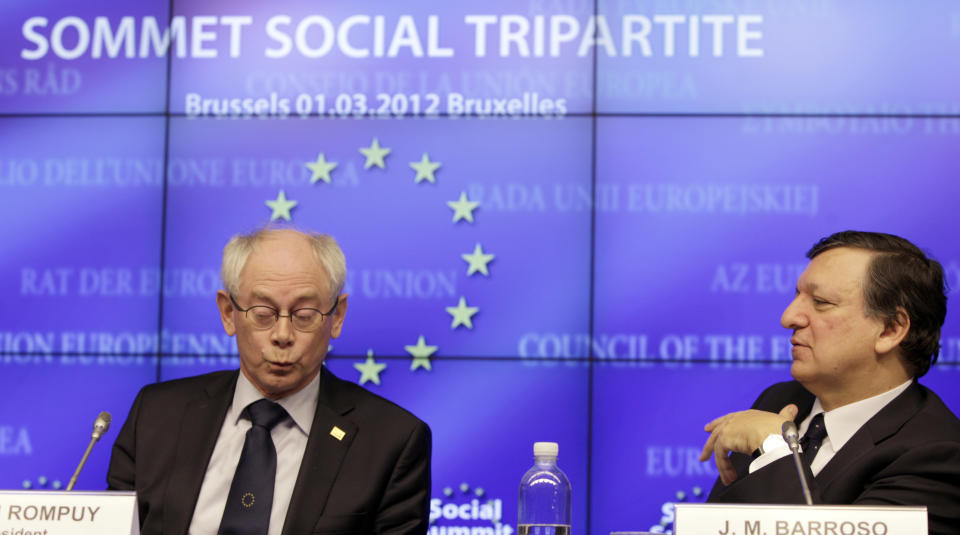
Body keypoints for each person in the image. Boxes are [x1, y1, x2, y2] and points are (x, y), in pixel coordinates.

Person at [107, 227, 431, 535]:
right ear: (228, 313)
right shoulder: (157, 415)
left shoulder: (392, 442)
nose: (282, 335)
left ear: (337, 316)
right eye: (263, 314)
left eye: (304, 316)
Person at [699, 230, 960, 534]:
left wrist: (772, 449)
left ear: (890, 330)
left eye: (821, 302)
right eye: (797, 296)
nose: (788, 317)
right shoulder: (780, 401)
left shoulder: (938, 457)